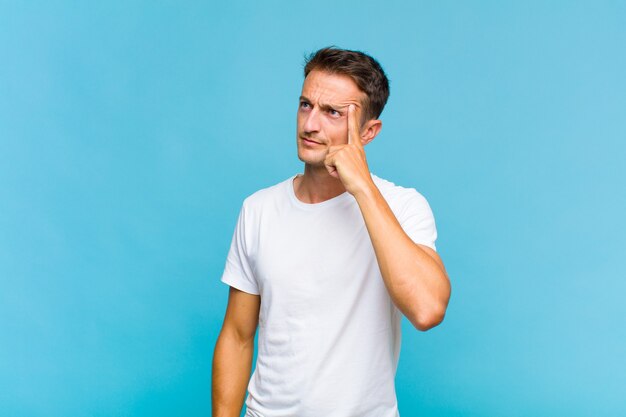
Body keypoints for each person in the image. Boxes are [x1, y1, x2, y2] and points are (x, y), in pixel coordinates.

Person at [212, 46, 451, 417]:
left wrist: (363, 189)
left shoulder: (403, 207)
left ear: (368, 132)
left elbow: (427, 309)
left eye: (332, 113)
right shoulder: (258, 209)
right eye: (306, 105)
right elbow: (237, 336)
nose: (309, 125)